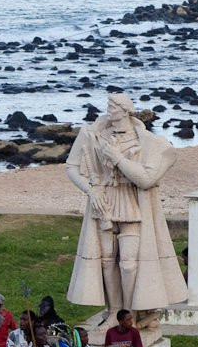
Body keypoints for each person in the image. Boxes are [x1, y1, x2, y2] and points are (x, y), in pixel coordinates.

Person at [65, 91, 188, 317]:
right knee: (106, 260)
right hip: (103, 201)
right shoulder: (93, 134)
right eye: (108, 105)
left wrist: (117, 157)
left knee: (129, 263)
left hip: (131, 203)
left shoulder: (147, 140)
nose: (109, 109)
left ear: (125, 111)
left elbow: (145, 179)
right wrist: (91, 190)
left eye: (114, 106)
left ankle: (129, 313)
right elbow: (71, 167)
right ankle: (113, 312)